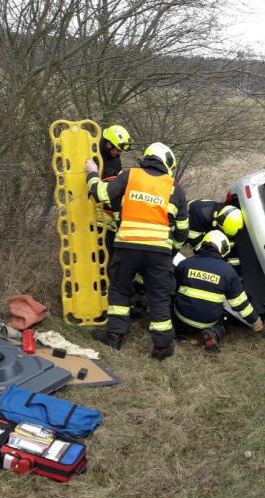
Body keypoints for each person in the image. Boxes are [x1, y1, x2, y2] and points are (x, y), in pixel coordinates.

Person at [85, 142, 189, 360]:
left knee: (121, 289)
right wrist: (171, 252)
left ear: (148, 156)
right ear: (167, 163)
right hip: (159, 251)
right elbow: (182, 231)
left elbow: (102, 194)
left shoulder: (129, 175)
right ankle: (161, 347)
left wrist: (92, 174)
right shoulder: (175, 188)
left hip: (127, 245)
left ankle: (115, 336)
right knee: (159, 296)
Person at [174, 230, 263, 352]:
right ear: (223, 249)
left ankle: (177, 330)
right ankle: (213, 332)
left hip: (182, 316)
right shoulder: (228, 272)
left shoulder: (185, 264)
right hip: (208, 321)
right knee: (224, 315)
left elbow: (171, 290)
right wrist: (255, 320)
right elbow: (239, 303)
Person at [96, 125, 133, 254]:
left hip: (109, 221)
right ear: (108, 144)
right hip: (91, 219)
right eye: (118, 150)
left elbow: (116, 190)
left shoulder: (116, 160)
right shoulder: (93, 156)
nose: (119, 153)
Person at [186, 199, 245, 269]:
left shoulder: (222, 212)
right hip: (180, 220)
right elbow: (195, 241)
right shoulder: (201, 215)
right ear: (220, 223)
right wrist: (210, 253)